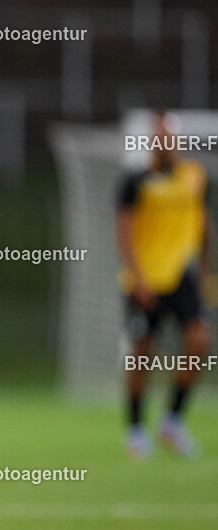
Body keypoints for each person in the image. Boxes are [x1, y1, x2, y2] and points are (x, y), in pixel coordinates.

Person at [117, 111, 212, 459]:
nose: (166, 144)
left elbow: (202, 224)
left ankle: (172, 420)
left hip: (181, 277)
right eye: (160, 138)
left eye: (171, 137)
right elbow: (124, 233)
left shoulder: (194, 177)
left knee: (199, 340)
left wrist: (203, 268)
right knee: (142, 353)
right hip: (144, 279)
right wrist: (136, 278)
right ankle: (135, 429)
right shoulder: (135, 182)